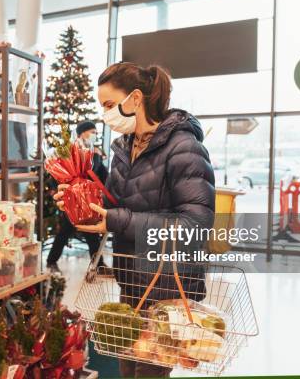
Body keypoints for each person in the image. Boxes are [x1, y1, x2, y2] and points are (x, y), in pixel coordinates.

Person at [54, 62, 215, 378]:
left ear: (136, 99)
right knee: (128, 366)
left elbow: (195, 224)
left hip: (169, 285)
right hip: (131, 279)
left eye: (110, 105)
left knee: (151, 370)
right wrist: (77, 199)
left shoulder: (184, 147)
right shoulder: (124, 149)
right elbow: (116, 204)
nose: (105, 114)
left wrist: (117, 220)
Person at [46, 120, 109, 274]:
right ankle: (51, 261)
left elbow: (101, 175)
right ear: (82, 133)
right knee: (65, 232)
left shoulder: (95, 152)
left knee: (91, 234)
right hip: (73, 200)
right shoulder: (70, 152)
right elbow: (61, 174)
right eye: (92, 132)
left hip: (90, 200)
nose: (95, 135)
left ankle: (99, 265)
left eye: (96, 132)